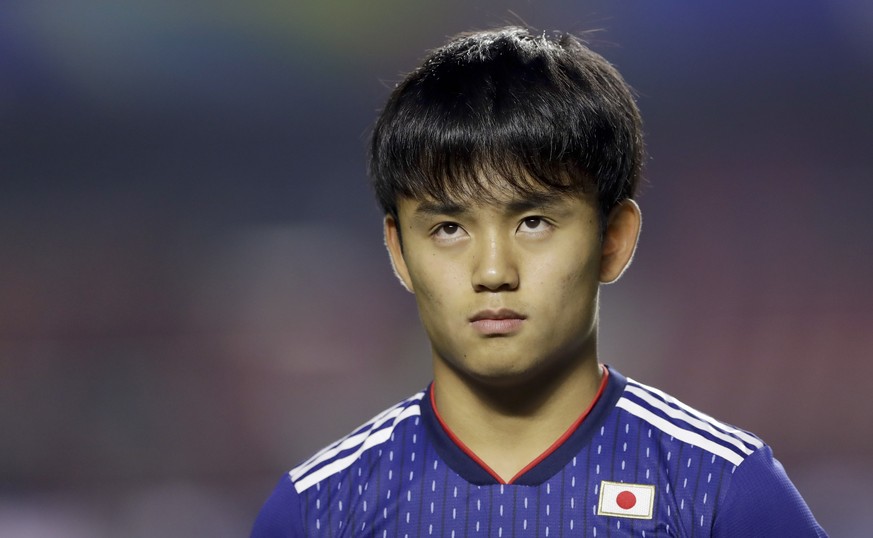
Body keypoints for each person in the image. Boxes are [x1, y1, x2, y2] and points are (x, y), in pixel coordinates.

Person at [252, 26, 826, 537]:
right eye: (449, 229)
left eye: (534, 222)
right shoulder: (318, 511)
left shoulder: (723, 493)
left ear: (614, 239)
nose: (494, 272)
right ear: (399, 250)